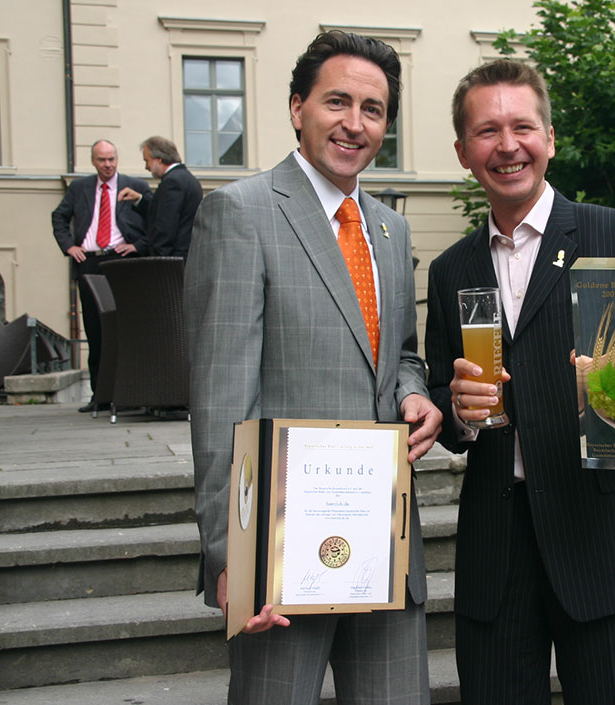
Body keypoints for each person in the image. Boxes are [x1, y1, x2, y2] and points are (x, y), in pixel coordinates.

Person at [185, 30, 442, 705]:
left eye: (373, 108)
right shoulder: (239, 213)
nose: (354, 123)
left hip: (385, 548)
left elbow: (402, 354)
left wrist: (415, 392)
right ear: (298, 107)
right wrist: (231, 558)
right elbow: (221, 402)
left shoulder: (392, 229)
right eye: (337, 101)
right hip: (280, 552)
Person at [424, 59, 615, 704]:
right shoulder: (450, 267)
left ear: (550, 138)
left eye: (523, 126)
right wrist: (458, 410)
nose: (507, 145)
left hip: (603, 533)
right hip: (498, 545)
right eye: (487, 131)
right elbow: (443, 401)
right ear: (463, 152)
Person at [51, 139, 151, 412]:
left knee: (126, 329)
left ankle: (130, 393)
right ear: (93, 161)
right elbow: (58, 217)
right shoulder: (80, 188)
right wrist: (69, 246)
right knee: (95, 331)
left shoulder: (137, 187)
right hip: (90, 263)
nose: (107, 165)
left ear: (117, 159)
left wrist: (138, 246)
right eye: (101, 160)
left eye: (111, 159)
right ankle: (100, 395)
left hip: (124, 262)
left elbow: (155, 222)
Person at [117, 136, 202, 259]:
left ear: (159, 160)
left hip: (172, 261)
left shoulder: (172, 182)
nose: (147, 167)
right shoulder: (188, 179)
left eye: (147, 161)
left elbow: (166, 223)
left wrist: (159, 259)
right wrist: (139, 199)